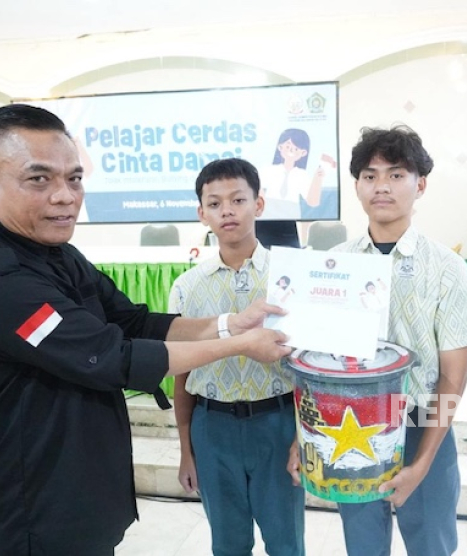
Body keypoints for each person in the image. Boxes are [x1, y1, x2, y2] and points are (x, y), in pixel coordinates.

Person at [0, 104, 292, 556]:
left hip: (81, 483)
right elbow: (112, 357)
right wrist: (240, 345)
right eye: (39, 179)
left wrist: (227, 323)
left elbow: (132, 321)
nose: (64, 196)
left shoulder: (58, 254)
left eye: (75, 178)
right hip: (31, 502)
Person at [289, 125, 467, 556]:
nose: (382, 186)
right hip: (347, 428)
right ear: (357, 185)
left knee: (431, 546)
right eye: (370, 175)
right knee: (364, 546)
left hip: (420, 426)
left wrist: (424, 461)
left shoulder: (447, 269)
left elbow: (452, 378)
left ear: (421, 184)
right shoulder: (334, 267)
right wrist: (301, 438)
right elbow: (314, 370)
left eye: (396, 174)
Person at [171, 158, 305, 556]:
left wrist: (303, 438)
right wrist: (185, 450)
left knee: (286, 542)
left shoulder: (291, 277)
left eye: (237, 200)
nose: (226, 211)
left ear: (258, 205)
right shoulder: (187, 287)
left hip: (278, 426)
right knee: (228, 544)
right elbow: (181, 373)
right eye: (214, 203)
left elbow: (310, 368)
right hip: (212, 430)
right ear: (201, 213)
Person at [259, 128, 331, 219]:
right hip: (269, 214)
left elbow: (313, 202)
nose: (291, 151)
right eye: (288, 147)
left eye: (296, 149)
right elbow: (256, 188)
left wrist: (318, 179)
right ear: (280, 147)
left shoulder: (302, 175)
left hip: (292, 213)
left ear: (303, 153)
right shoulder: (269, 170)